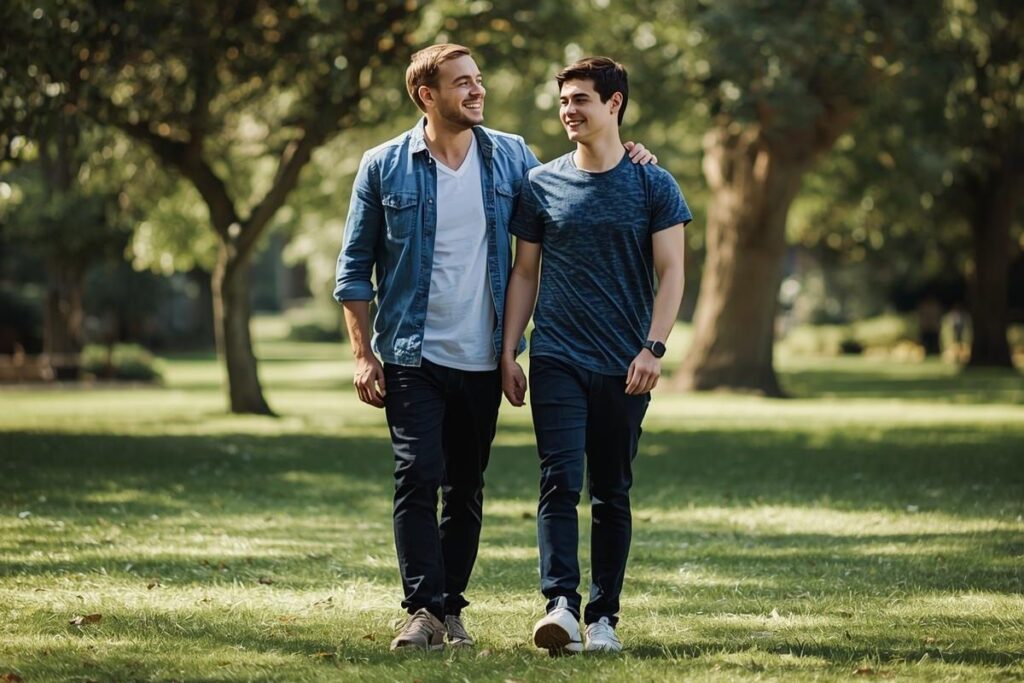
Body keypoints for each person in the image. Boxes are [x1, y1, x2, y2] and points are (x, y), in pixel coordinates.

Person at [334, 44, 655, 652]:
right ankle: (423, 610)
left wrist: (631, 154)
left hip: (482, 355)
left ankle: (451, 608)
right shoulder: (383, 166)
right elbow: (353, 271)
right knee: (415, 477)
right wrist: (362, 354)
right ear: (427, 96)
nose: (477, 91)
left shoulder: (511, 157)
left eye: (479, 80)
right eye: (462, 83)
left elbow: (578, 174)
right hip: (410, 355)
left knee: (465, 486)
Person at [501, 56, 690, 655]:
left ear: (614, 104)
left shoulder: (653, 183)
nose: (568, 111)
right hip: (556, 355)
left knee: (612, 491)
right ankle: (559, 605)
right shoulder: (540, 183)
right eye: (562, 101)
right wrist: (512, 348)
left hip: (626, 364)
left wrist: (653, 348)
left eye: (580, 99)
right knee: (559, 481)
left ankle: (603, 619)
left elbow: (672, 272)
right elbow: (524, 273)